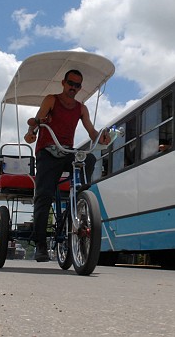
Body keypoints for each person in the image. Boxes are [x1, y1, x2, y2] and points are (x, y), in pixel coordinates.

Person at [24, 69, 110, 262]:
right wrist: (32, 132)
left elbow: (91, 131)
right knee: (44, 195)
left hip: (67, 152)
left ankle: (82, 196)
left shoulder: (81, 108)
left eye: (77, 85)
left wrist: (102, 138)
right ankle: (40, 244)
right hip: (47, 151)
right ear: (63, 83)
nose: (73, 88)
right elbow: (37, 122)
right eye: (71, 83)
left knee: (88, 159)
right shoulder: (51, 100)